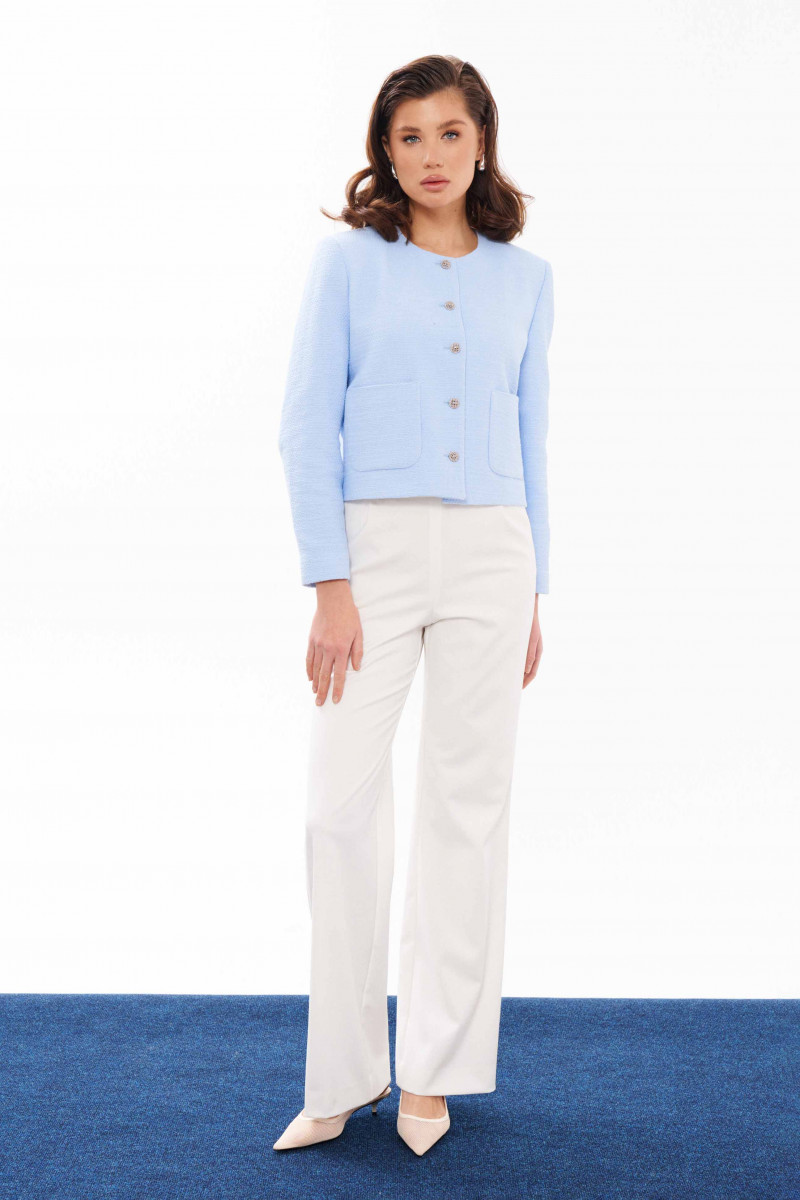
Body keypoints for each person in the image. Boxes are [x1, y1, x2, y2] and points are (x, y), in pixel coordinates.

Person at [273, 53, 554, 1157]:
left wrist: (534, 588)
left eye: (449, 133)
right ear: (383, 153)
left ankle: (434, 1072)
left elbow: (532, 435)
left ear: (481, 142)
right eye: (408, 137)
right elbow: (307, 424)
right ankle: (343, 1076)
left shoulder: (526, 279)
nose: (430, 155)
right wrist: (329, 585)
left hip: (493, 553)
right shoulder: (347, 263)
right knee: (337, 807)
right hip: (373, 555)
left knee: (465, 807)